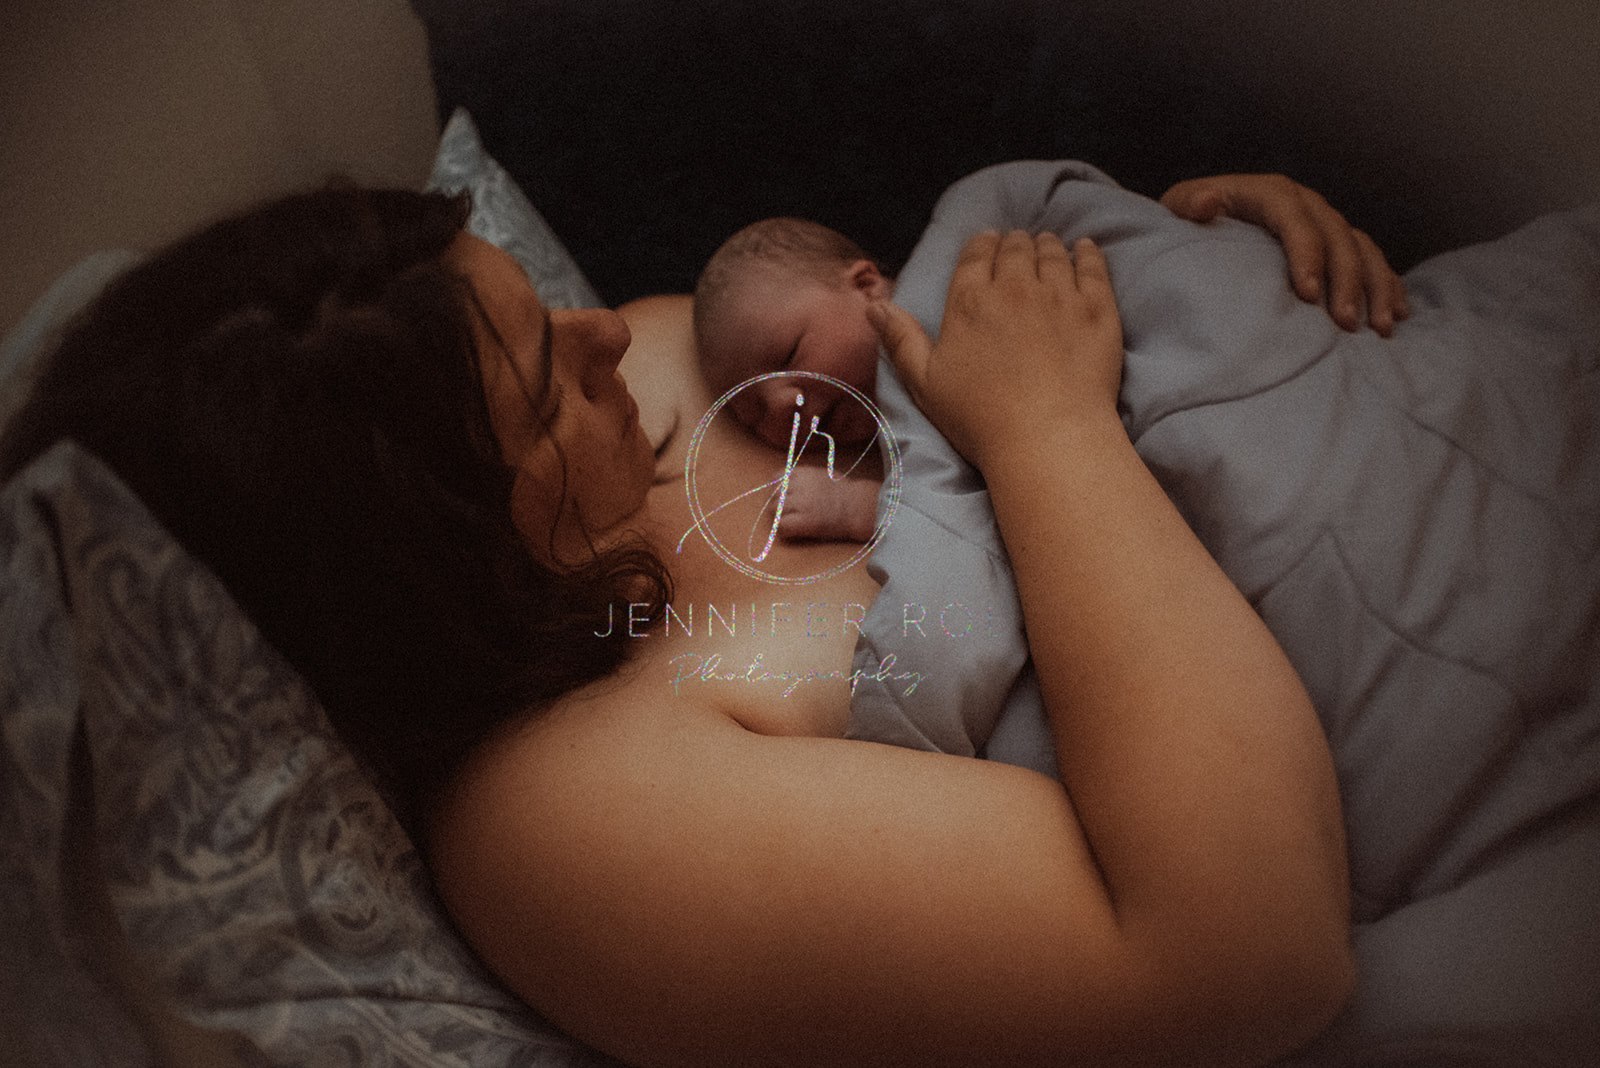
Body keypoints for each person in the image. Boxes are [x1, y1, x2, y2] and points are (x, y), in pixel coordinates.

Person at [1, 174, 1377, 1067]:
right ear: (445, 571)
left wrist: (1206, 261)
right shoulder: (576, 821)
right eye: (546, 395)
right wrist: (1054, 430)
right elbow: (1247, 957)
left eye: (537, 301)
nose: (601, 337)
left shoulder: (645, 372)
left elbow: (943, 295)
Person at [692, 179, 1409, 543]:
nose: (783, 404)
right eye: (750, 411)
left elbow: (1103, 235)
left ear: (867, 283)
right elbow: (1002, 519)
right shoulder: (887, 449)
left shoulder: (962, 278)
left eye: (787, 356)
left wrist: (857, 508)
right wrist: (865, 502)